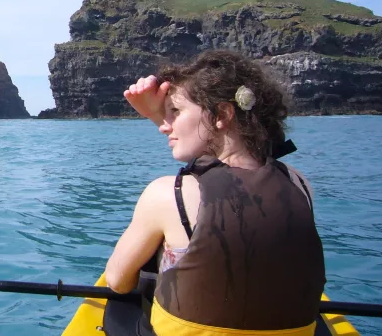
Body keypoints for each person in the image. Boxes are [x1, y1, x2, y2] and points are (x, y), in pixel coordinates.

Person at [104, 50, 325, 336]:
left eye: (176, 112)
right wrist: (159, 115)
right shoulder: (299, 184)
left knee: (120, 306)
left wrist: (156, 115)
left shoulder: (167, 195)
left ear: (222, 114)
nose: (164, 127)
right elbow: (220, 177)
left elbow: (118, 280)